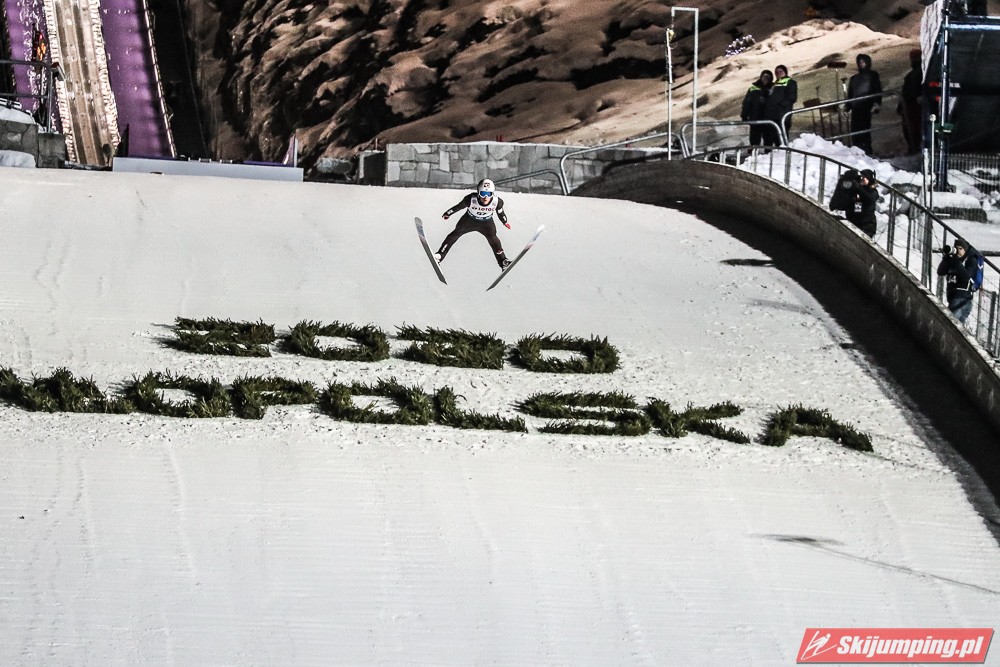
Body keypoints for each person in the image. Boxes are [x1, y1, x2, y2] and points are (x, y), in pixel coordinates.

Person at [436, 178, 511, 269]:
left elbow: (500, 212)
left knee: (494, 240)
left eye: (489, 194)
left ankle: (503, 261)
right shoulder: (470, 199)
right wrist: (448, 213)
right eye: (483, 193)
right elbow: (459, 207)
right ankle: (439, 255)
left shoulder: (497, 201)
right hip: (469, 220)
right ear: (478, 192)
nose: (486, 197)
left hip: (486, 223)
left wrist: (504, 221)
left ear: (493, 193)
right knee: (454, 235)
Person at [846, 54, 883, 155]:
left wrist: (877, 103)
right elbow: (850, 94)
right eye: (859, 62)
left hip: (866, 105)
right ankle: (857, 150)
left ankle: (867, 151)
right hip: (856, 107)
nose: (861, 64)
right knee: (855, 129)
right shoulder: (854, 78)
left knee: (864, 129)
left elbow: (877, 89)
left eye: (863, 61)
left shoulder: (872, 75)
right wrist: (847, 107)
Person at [937, 239, 975, 323]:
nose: (958, 251)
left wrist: (956, 261)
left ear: (965, 250)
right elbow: (940, 272)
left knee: (950, 324)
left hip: (961, 298)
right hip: (954, 297)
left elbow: (966, 277)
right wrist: (946, 258)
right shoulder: (953, 261)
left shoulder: (970, 260)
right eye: (956, 248)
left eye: (960, 249)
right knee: (956, 326)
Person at [897, 49, 923, 154]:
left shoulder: (914, 74)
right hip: (912, 103)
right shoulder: (917, 73)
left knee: (912, 127)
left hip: (913, 104)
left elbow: (907, 91)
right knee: (912, 127)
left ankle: (914, 147)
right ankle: (914, 146)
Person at [741, 70, 774, 147]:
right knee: (754, 139)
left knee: (768, 139)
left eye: (768, 77)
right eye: (764, 77)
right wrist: (744, 115)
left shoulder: (773, 88)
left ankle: (768, 152)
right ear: (761, 77)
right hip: (755, 117)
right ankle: (754, 151)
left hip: (768, 119)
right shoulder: (753, 88)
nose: (765, 79)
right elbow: (747, 102)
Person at [845, 168, 879, 238]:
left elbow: (869, 198)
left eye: (864, 177)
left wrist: (858, 189)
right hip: (856, 223)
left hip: (867, 227)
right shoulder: (859, 189)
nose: (862, 179)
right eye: (861, 177)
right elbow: (856, 207)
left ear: (869, 179)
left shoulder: (873, 192)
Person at [772, 65, 798, 138]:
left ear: (785, 72)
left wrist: (779, 105)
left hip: (783, 113)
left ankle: (785, 145)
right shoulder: (774, 84)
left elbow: (792, 97)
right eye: (776, 72)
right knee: (775, 135)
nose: (778, 73)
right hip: (774, 114)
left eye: (780, 71)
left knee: (783, 133)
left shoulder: (790, 82)